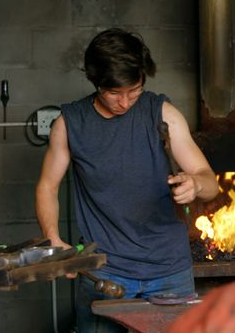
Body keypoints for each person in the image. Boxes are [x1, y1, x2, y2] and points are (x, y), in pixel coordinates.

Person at [35, 28, 219, 333]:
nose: (125, 102)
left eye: (133, 91)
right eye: (114, 93)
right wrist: (52, 237)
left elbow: (209, 180)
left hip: (168, 270)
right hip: (104, 272)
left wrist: (196, 184)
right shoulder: (69, 124)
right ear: (95, 82)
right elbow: (47, 186)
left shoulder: (163, 113)